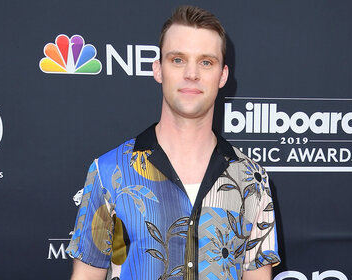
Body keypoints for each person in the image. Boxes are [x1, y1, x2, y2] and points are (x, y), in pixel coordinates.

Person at [66, 5, 280, 280]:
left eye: (206, 62)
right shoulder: (108, 173)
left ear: (223, 76)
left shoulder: (252, 179)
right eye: (178, 60)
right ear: (158, 69)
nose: (192, 73)